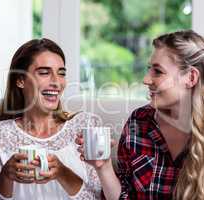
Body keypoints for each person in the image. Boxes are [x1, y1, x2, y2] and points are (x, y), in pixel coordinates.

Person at [76, 29, 204, 200]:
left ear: (190, 77)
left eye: (158, 71)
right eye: (149, 69)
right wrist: (103, 166)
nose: (146, 79)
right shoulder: (139, 121)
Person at [0, 38, 103, 200]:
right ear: (20, 80)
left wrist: (62, 172)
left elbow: (98, 197)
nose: (56, 82)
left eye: (61, 73)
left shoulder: (86, 125)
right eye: (44, 72)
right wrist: (6, 176)